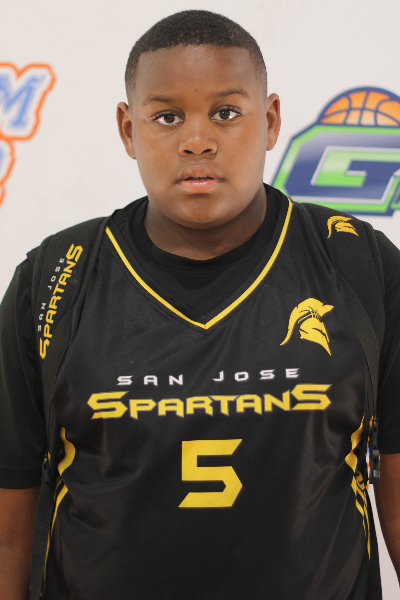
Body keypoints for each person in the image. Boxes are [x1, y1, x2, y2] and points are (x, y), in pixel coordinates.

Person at [0, 9, 399, 600]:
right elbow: (8, 528)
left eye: (226, 113)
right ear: (128, 129)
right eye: (167, 117)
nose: (197, 140)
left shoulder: (357, 263)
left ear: (270, 120)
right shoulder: (57, 278)